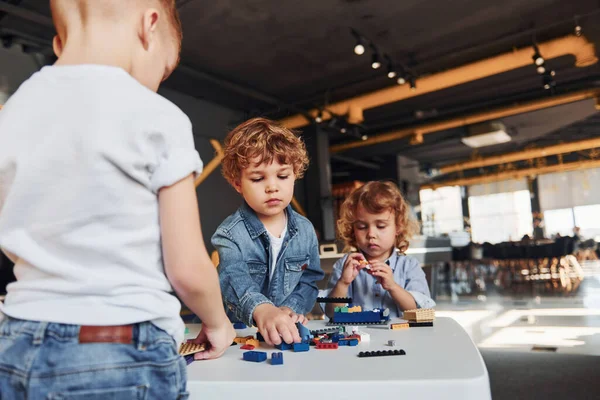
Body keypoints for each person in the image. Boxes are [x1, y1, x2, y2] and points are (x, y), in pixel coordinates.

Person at [0, 1, 234, 398]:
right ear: (149, 25)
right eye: (163, 69)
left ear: (59, 42)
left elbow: (15, 231)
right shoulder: (159, 116)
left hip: (17, 339)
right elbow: (187, 268)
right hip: (123, 344)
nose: (157, 84)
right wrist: (217, 322)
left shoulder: (13, 113)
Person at [213, 117, 324, 345]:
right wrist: (262, 310)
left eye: (282, 176)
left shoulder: (305, 229)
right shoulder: (229, 233)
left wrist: (289, 310)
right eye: (257, 178)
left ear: (295, 174)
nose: (272, 186)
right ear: (237, 184)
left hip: (284, 331)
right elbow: (233, 276)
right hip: (238, 333)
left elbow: (309, 280)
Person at [324, 181, 435, 319]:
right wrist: (343, 283)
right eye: (362, 227)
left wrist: (393, 287)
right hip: (359, 338)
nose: (371, 234)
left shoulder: (409, 266)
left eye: (381, 226)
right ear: (353, 230)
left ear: (398, 227)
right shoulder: (344, 266)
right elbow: (331, 313)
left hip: (401, 339)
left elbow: (420, 311)